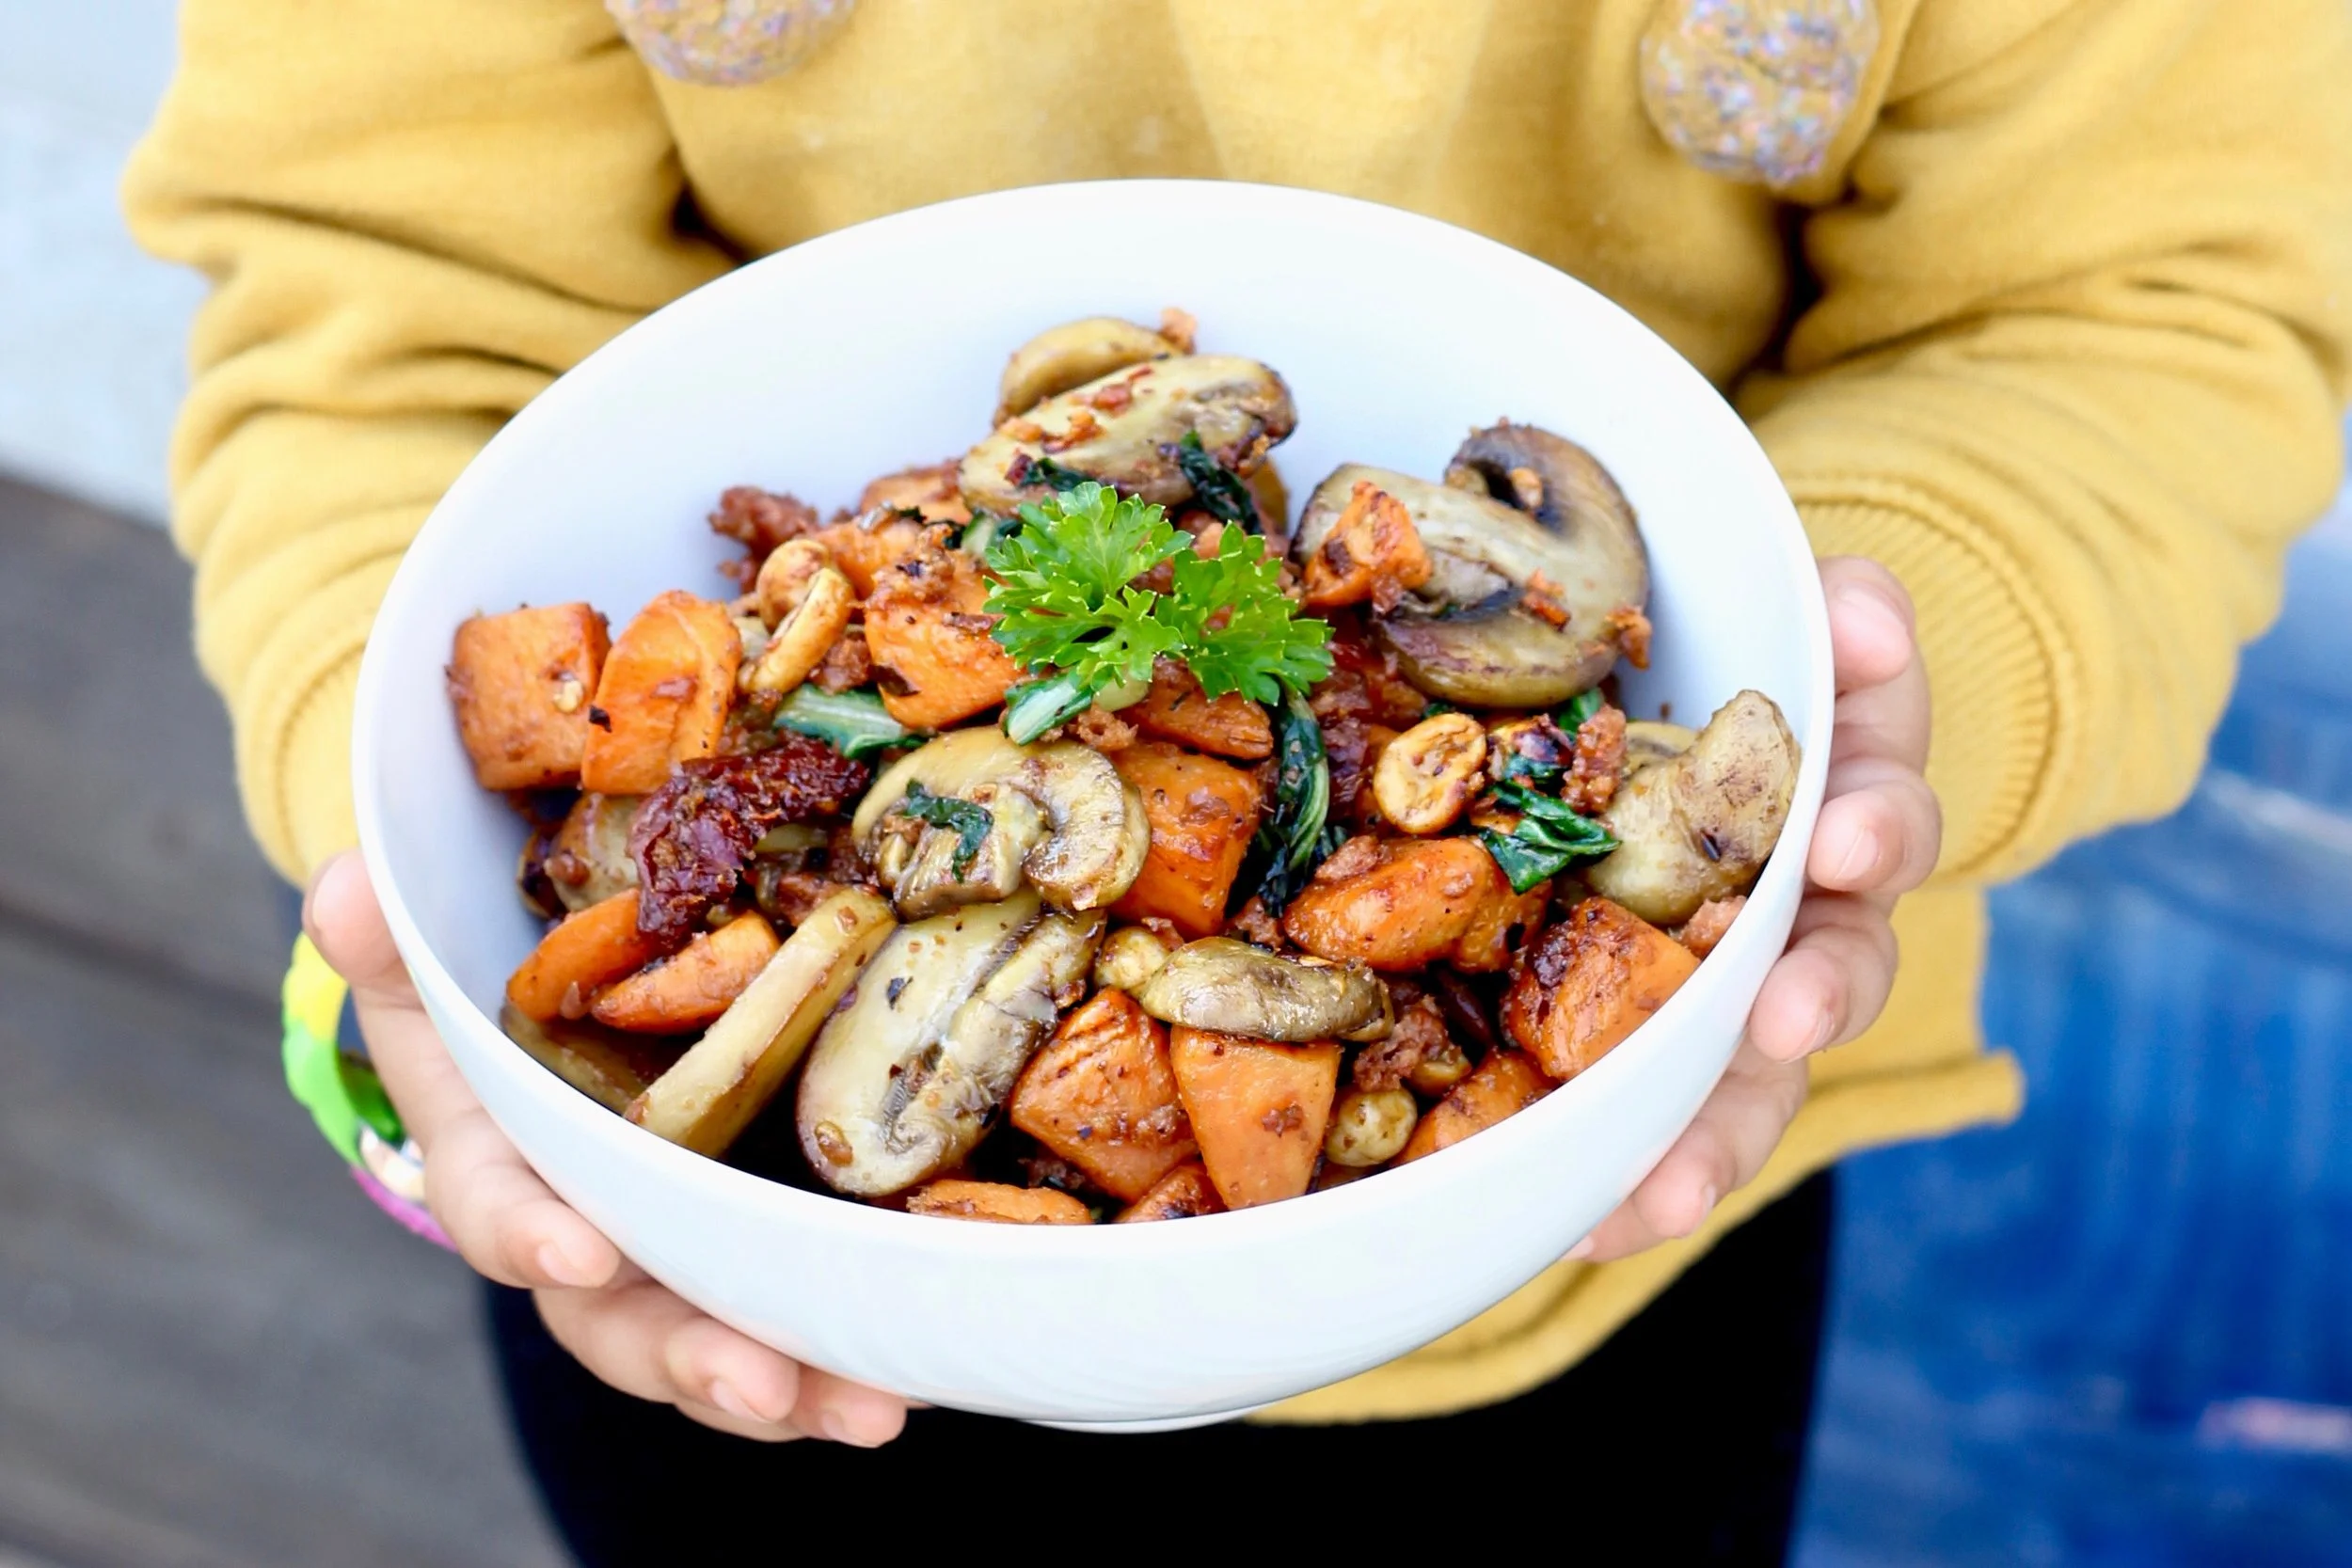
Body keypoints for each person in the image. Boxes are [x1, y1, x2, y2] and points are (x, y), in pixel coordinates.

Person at [124, 1, 2352, 1560]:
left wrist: (1865, 643)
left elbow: (2136, 298)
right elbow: (386, 294)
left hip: (1616, 1232)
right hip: (742, 1301)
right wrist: (400, 873)